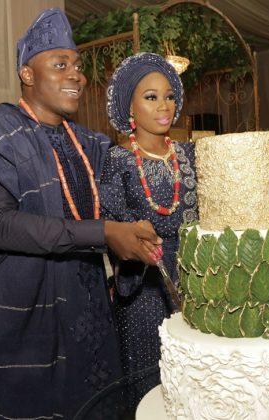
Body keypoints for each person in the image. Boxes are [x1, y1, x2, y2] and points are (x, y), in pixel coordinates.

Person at [0, 9, 162, 419]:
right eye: (60, 64)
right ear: (27, 74)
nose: (76, 76)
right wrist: (104, 233)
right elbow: (0, 226)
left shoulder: (89, 142)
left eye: (78, 66)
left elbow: (123, 197)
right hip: (25, 310)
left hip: (88, 304)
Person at [100, 53, 198, 376]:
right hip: (143, 290)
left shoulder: (189, 154)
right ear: (130, 107)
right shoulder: (117, 160)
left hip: (195, 281)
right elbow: (113, 228)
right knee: (150, 380)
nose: (164, 106)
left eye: (169, 97)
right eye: (151, 97)